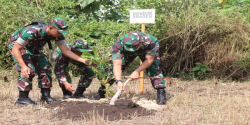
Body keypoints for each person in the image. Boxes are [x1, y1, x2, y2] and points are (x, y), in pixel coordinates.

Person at [7, 17, 92, 106]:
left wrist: (83, 60)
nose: (60, 34)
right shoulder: (32, 31)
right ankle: (22, 99)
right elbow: (16, 48)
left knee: (46, 68)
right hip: (18, 47)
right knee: (28, 70)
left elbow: (66, 51)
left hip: (35, 47)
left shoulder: (58, 35)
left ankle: (45, 96)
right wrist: (23, 66)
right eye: (59, 31)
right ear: (51, 28)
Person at [89, 31, 167, 105]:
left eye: (134, 48)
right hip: (126, 52)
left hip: (145, 49)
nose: (132, 50)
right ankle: (102, 91)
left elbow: (149, 60)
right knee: (112, 70)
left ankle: (161, 92)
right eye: (129, 47)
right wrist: (118, 81)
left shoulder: (150, 42)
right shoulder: (117, 45)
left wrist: (137, 71)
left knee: (153, 67)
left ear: (140, 43)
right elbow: (117, 65)